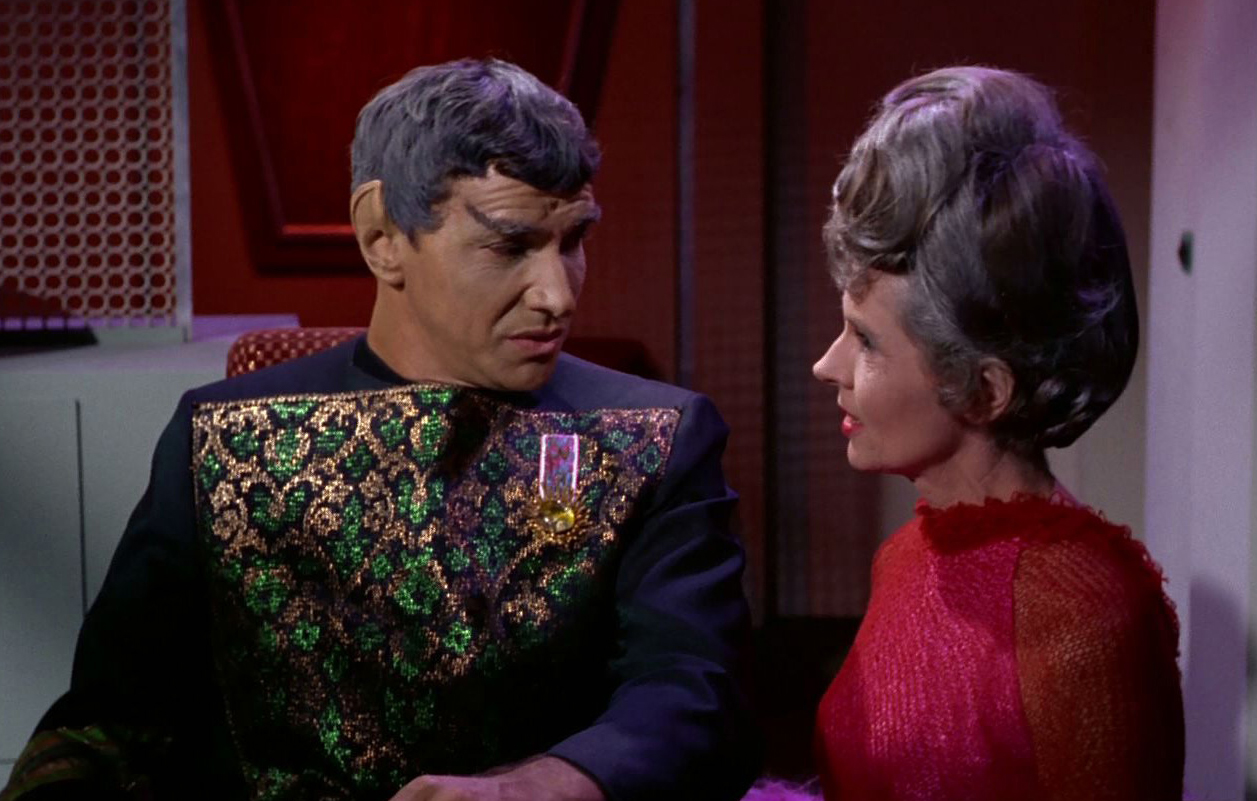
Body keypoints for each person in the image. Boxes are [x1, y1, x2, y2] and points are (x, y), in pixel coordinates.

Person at [1, 59, 758, 801]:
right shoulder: (225, 439)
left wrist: (547, 785)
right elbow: (111, 721)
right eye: (510, 246)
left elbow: (693, 692)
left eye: (571, 241)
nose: (557, 295)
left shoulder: (647, 438)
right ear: (381, 236)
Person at [806, 67, 1184, 799]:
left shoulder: (1085, 613)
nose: (827, 366)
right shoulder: (907, 557)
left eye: (867, 340)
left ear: (983, 389)